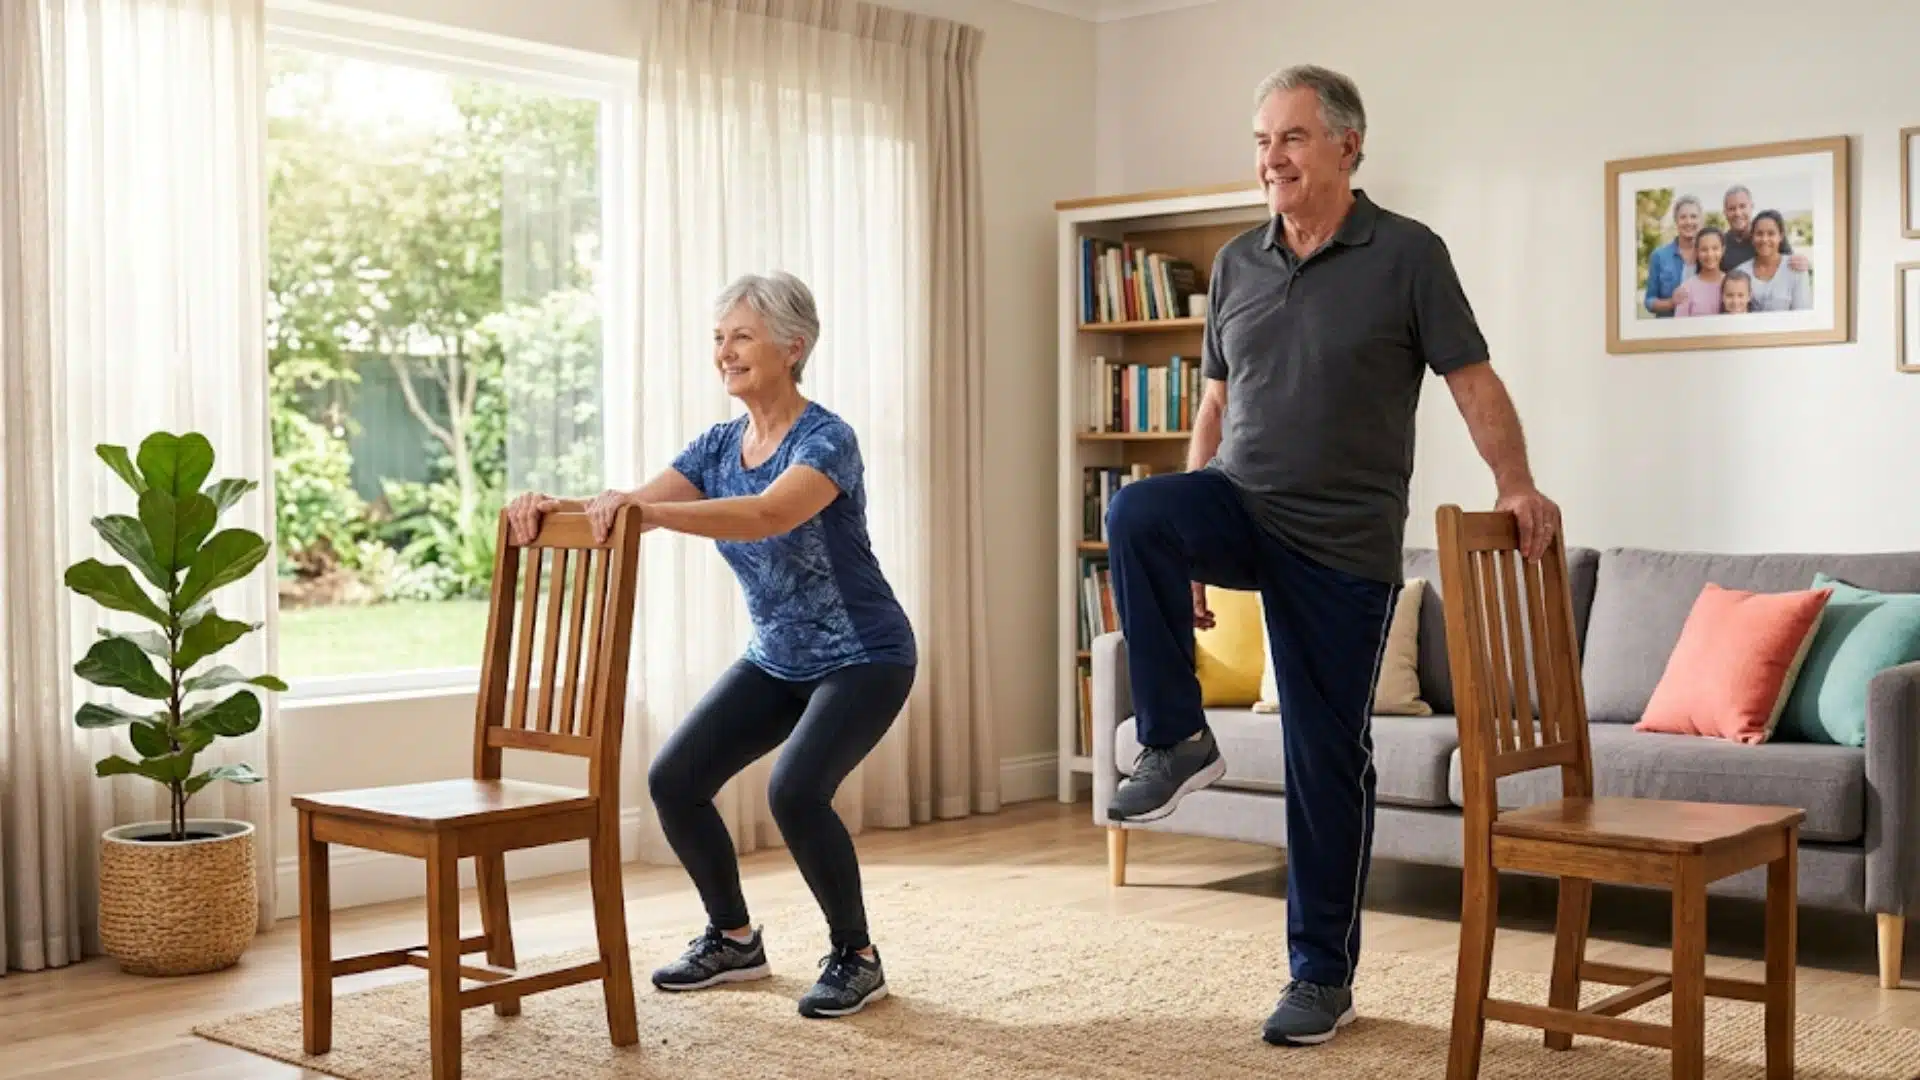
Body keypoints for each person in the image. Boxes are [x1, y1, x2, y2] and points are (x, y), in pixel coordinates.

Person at [1100, 64, 1561, 1049]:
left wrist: (1514, 483)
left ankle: (1320, 977)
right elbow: (1215, 406)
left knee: (1324, 755)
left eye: (1293, 138)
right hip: (1241, 504)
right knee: (1140, 512)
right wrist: (1185, 548)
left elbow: (1470, 379)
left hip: (1343, 546)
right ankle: (1178, 739)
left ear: (1350, 146)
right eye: (1262, 140)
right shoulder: (1236, 263)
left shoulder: (1407, 255)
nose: (1272, 158)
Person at [504, 271, 917, 1020]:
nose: (724, 352)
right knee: (674, 779)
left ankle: (856, 956)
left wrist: (654, 515)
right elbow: (628, 507)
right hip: (777, 657)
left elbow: (766, 515)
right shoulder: (718, 444)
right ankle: (733, 940)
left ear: (794, 346)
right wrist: (549, 505)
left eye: (741, 337)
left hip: (865, 655)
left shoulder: (827, 439)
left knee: (794, 790)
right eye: (719, 339)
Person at [1732, 209, 1812, 311]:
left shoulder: (1796, 269)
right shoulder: (1741, 272)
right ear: (1752, 237)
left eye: (1771, 233)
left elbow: (1803, 314)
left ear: (1781, 236)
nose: (1764, 239)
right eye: (1759, 234)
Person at [1643, 194, 1702, 316]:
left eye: (1693, 216)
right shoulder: (1659, 256)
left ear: (1700, 220)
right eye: (1683, 217)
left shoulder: (1708, 255)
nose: (1688, 222)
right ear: (1676, 221)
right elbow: (1649, 301)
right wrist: (1671, 303)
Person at [1672, 227, 1728, 316]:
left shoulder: (1731, 283)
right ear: (1696, 252)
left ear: (1723, 250)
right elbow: (1680, 326)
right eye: (1704, 250)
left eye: (1715, 248)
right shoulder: (1687, 288)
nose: (1710, 254)